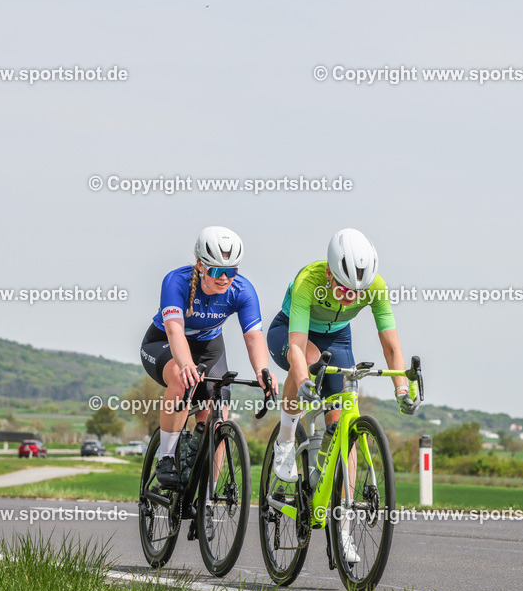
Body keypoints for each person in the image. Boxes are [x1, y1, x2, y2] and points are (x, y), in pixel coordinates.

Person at [266, 228, 419, 562]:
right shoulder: (309, 279)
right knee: (306, 360)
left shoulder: (375, 287)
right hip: (292, 332)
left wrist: (402, 389)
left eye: (357, 293)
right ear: (328, 273)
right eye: (343, 289)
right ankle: (286, 443)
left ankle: (344, 530)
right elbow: (295, 345)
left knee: (343, 428)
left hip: (337, 339)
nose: (350, 298)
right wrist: (304, 379)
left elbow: (391, 344)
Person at [140, 226, 278, 520]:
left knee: (219, 416)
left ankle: (206, 498)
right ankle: (166, 458)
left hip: (210, 348)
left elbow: (253, 337)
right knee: (180, 376)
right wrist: (187, 365)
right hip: (164, 342)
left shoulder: (242, 290)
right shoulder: (175, 281)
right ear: (201, 265)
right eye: (217, 271)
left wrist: (263, 370)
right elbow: (175, 331)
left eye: (232, 270)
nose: (225, 278)